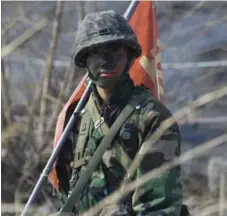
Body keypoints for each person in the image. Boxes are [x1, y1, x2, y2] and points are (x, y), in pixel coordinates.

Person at [54, 10, 189, 216]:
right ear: (85, 60)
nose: (106, 61)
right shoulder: (76, 116)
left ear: (129, 58)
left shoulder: (151, 117)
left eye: (115, 51)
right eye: (96, 52)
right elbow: (66, 194)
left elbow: (158, 205)